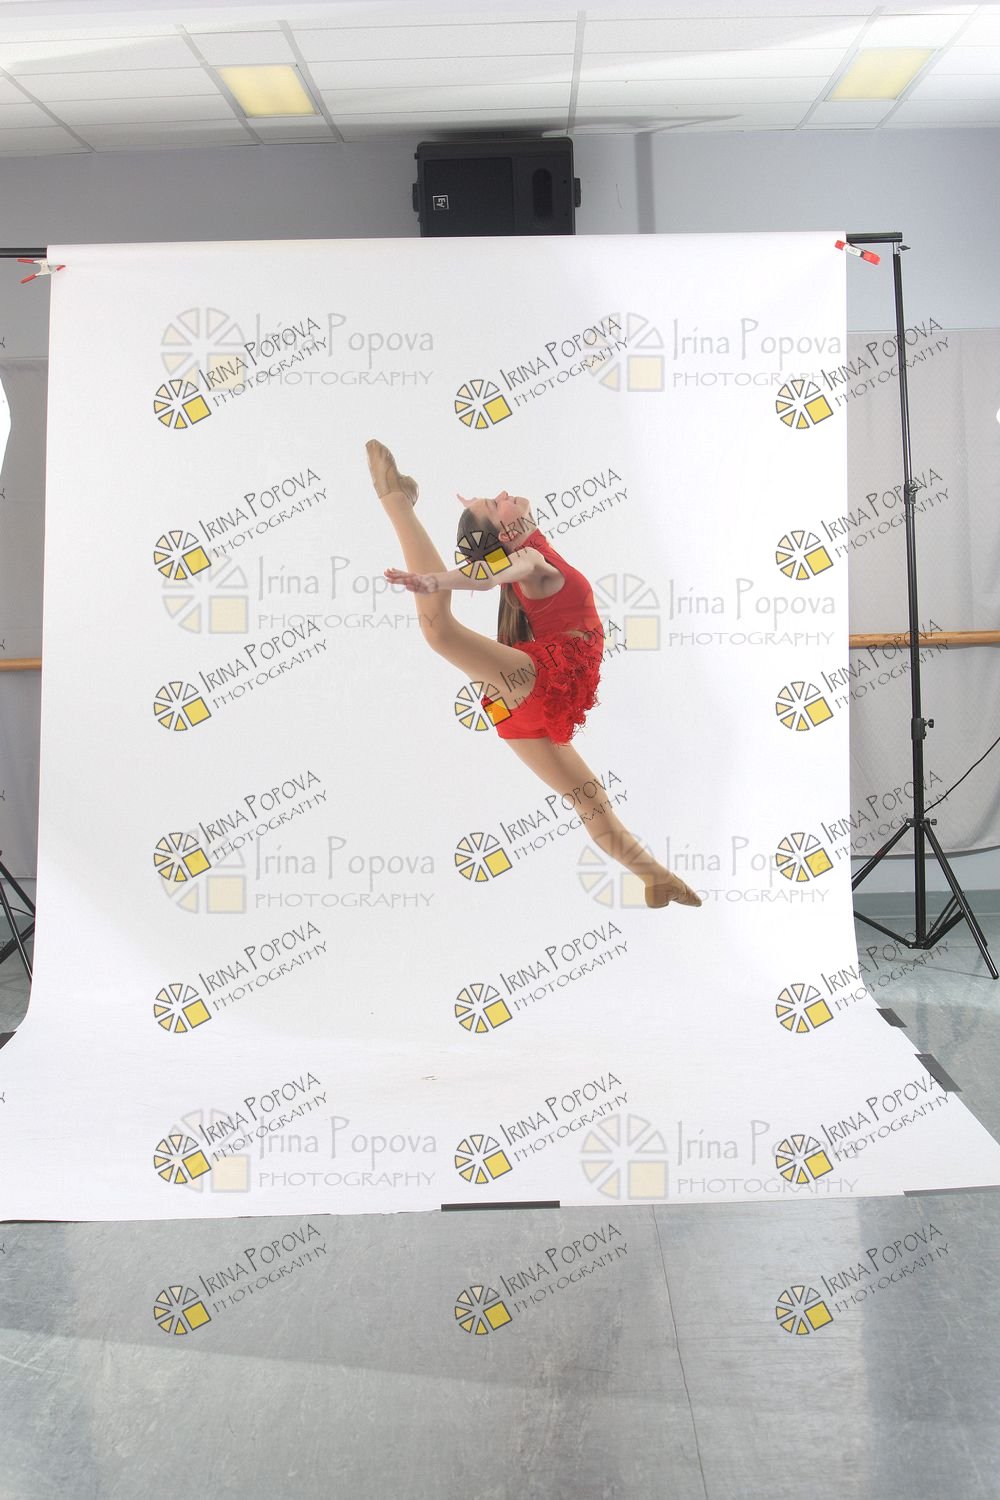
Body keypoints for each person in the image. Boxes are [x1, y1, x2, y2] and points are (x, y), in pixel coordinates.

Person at [367, 439, 701, 909]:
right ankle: (395, 499)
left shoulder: (533, 553)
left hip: (522, 709)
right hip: (543, 679)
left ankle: (656, 878)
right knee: (440, 632)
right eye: (495, 502)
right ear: (506, 532)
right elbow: (488, 577)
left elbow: (490, 569)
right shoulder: (531, 560)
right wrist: (436, 581)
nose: (504, 494)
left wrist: (450, 566)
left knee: (590, 799)